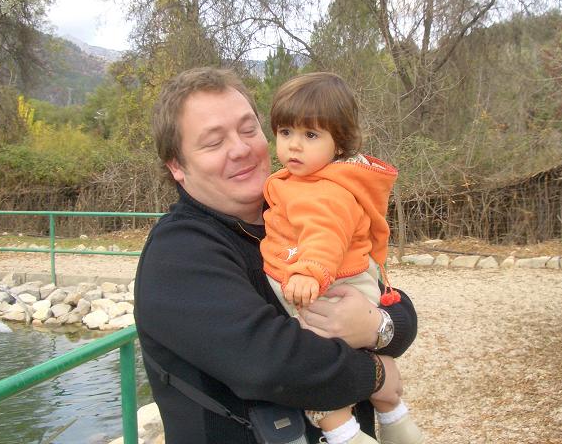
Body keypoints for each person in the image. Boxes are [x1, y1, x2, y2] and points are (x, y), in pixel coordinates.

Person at [134, 67, 418, 444]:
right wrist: (377, 374)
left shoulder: (292, 211)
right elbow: (270, 362)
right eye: (214, 142)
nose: (241, 149)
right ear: (177, 166)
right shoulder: (178, 253)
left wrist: (376, 326)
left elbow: (394, 304)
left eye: (248, 129)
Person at [261, 72, 423, 444]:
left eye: (310, 135)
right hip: (340, 281)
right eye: (285, 132)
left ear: (339, 144)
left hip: (329, 285)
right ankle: (396, 417)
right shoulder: (305, 181)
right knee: (351, 357)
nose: (294, 145)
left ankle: (345, 434)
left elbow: (325, 234)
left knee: (312, 362)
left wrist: (310, 272)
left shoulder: (326, 190)